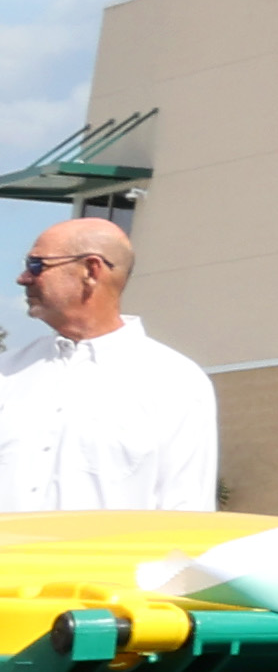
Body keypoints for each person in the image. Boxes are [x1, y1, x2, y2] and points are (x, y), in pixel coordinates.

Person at [0, 217, 215, 512]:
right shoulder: (7, 373)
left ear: (91, 270)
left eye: (37, 265)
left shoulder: (175, 382)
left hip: (107, 559)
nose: (23, 278)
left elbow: (187, 510)